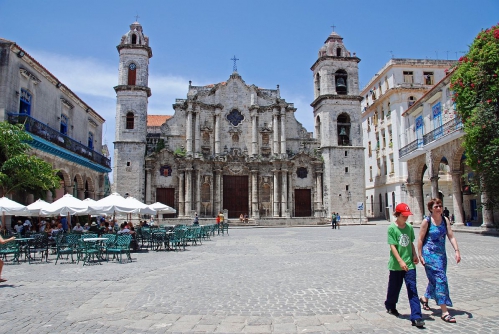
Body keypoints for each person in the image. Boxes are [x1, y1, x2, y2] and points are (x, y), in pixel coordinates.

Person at [418, 198, 461, 323]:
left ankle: (424, 298)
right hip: (429, 255)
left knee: (434, 280)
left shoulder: (445, 220)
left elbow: (451, 236)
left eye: (440, 206)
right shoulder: (426, 221)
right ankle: (445, 311)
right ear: (431, 209)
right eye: (436, 206)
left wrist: (457, 251)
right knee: (441, 279)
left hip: (441, 255)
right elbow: (420, 239)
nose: (439, 208)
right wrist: (420, 255)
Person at [385, 203, 425, 328]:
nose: (406, 217)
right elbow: (393, 246)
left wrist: (414, 255)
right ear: (398, 214)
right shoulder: (392, 228)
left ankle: (417, 317)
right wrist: (400, 261)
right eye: (404, 215)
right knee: (394, 288)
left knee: (412, 289)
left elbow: (411, 243)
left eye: (407, 215)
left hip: (410, 265)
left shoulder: (409, 227)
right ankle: (390, 306)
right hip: (396, 265)